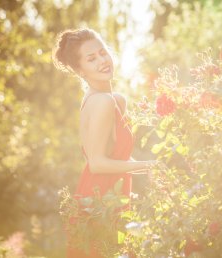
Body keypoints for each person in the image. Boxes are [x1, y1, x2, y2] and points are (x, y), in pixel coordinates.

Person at [52, 28, 157, 258]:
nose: (102, 61)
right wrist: (149, 165)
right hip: (99, 201)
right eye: (91, 59)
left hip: (111, 196)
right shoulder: (101, 102)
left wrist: (153, 169)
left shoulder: (116, 100)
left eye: (103, 52)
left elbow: (115, 158)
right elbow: (97, 164)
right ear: (80, 70)